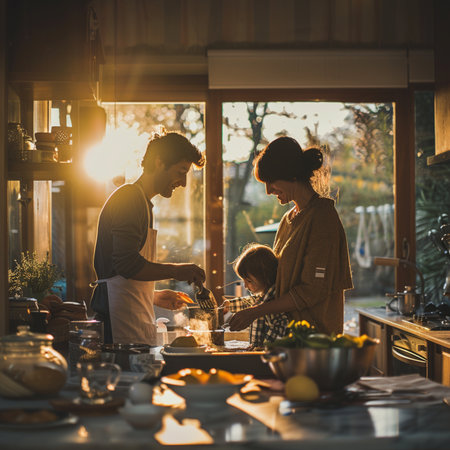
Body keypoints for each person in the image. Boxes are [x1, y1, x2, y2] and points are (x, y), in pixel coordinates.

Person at [90, 130, 206, 344]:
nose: (183, 183)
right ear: (160, 162)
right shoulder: (130, 198)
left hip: (128, 318)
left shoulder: (143, 203)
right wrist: (177, 270)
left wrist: (153, 296)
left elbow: (123, 274)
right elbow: (127, 264)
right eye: (181, 171)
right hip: (118, 325)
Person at [229, 136, 353, 335]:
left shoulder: (322, 217)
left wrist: (255, 312)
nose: (268, 191)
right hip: (287, 336)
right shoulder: (288, 219)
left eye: (271, 182)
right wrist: (238, 305)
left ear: (292, 176)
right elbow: (277, 285)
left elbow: (311, 291)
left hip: (315, 339)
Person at [223, 243, 289, 349]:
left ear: (265, 277)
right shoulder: (264, 296)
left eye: (249, 281)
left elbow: (278, 330)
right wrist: (229, 305)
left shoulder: (272, 304)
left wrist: (260, 348)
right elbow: (252, 302)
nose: (245, 286)